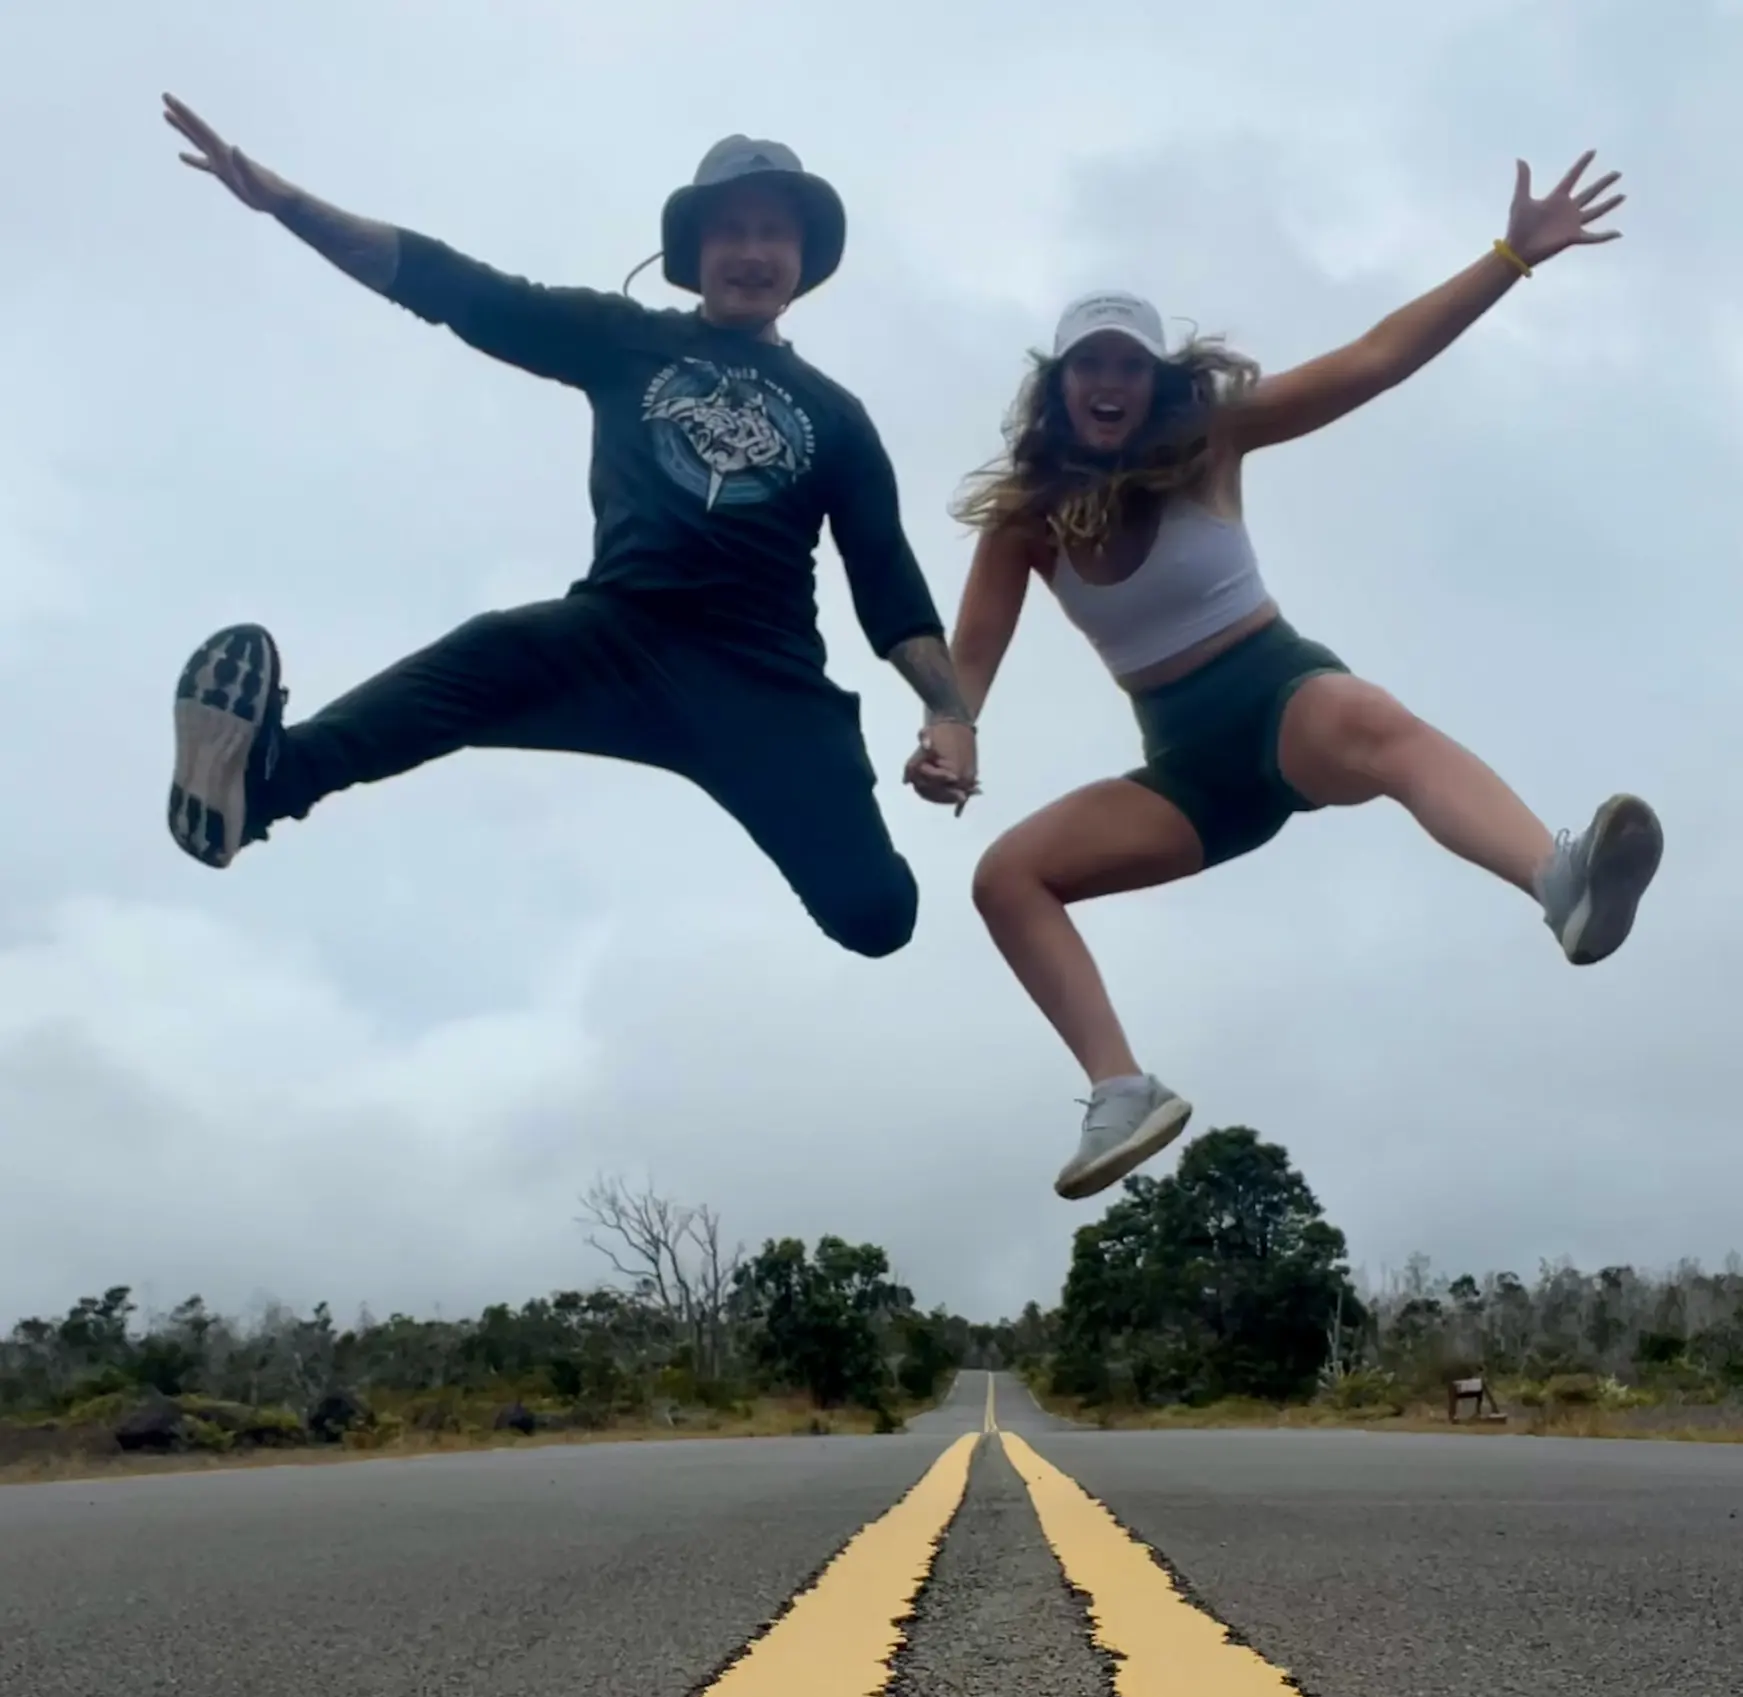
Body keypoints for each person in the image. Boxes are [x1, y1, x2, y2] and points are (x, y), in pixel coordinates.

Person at [913, 151, 1663, 1199]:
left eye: (1129, 365)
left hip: (1279, 702)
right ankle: (1121, 1090)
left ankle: (1559, 880)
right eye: (1089, 366)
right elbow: (971, 658)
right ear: (1058, 385)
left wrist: (1509, 257)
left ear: (1157, 381)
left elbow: (1376, 357)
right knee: (1006, 877)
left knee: (1365, 715)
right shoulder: (1027, 519)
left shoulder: (1212, 438)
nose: (1109, 383)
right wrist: (949, 735)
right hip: (1190, 775)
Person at [160, 96, 978, 959]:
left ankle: (867, 880)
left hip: (763, 680)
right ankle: (263, 784)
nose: (750, 252)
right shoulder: (622, 339)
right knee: (491, 651)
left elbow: (887, 580)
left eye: (772, 233)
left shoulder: (837, 418)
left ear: (801, 257)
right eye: (730, 231)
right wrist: (290, 207)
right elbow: (460, 290)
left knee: (878, 919)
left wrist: (948, 714)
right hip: (619, 638)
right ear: (694, 252)